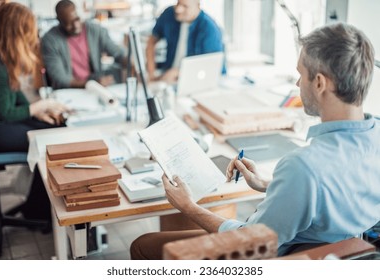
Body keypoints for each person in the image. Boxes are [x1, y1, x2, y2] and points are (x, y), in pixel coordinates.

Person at [131, 22, 380, 259]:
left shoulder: (303, 168)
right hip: (343, 257)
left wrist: (188, 207)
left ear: (319, 82)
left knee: (143, 245)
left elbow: (249, 241)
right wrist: (268, 184)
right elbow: (334, 190)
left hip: (274, 258)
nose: (296, 83)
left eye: (300, 74)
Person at [0, 3, 69, 222]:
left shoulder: (4, 58)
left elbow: (15, 96)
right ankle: (37, 210)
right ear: (17, 31)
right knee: (50, 142)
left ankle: (38, 207)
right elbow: (5, 113)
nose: (34, 35)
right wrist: (39, 107)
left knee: (57, 129)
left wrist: (38, 114)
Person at [41, 0, 126, 89]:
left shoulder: (95, 30)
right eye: (69, 23)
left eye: (77, 19)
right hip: (69, 90)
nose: (75, 26)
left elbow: (118, 53)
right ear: (59, 20)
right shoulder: (50, 40)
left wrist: (131, 64)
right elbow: (60, 79)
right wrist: (90, 84)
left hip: (95, 87)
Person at [146, 0, 224, 84]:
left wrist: (179, 72)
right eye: (178, 3)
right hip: (168, 76)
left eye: (185, 6)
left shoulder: (209, 29)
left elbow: (212, 67)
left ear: (197, 6)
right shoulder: (169, 14)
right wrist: (151, 74)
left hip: (197, 80)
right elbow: (151, 42)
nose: (178, 9)